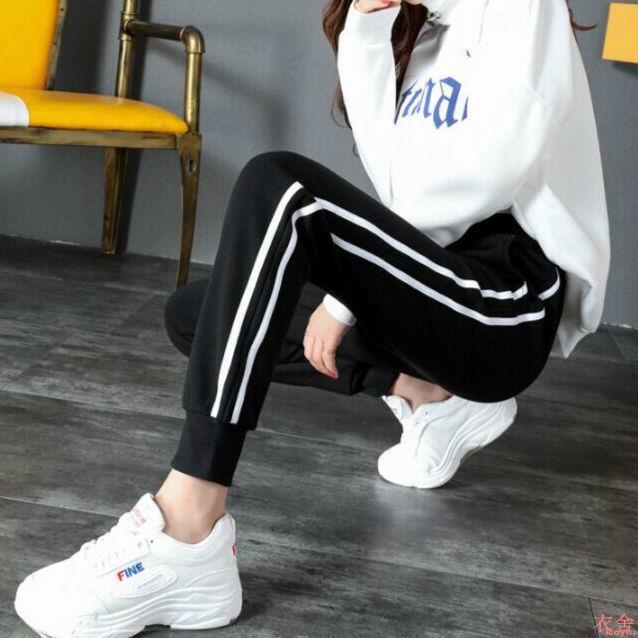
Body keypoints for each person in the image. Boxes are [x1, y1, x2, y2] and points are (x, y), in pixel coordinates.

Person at [14, 0, 610, 635]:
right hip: (432, 284)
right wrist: (366, 33)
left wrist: (342, 300)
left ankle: (189, 525)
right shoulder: (414, 26)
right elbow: (397, 184)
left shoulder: (521, 6)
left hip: (504, 305)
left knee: (282, 186)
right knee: (198, 314)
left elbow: (488, 173)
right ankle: (427, 391)